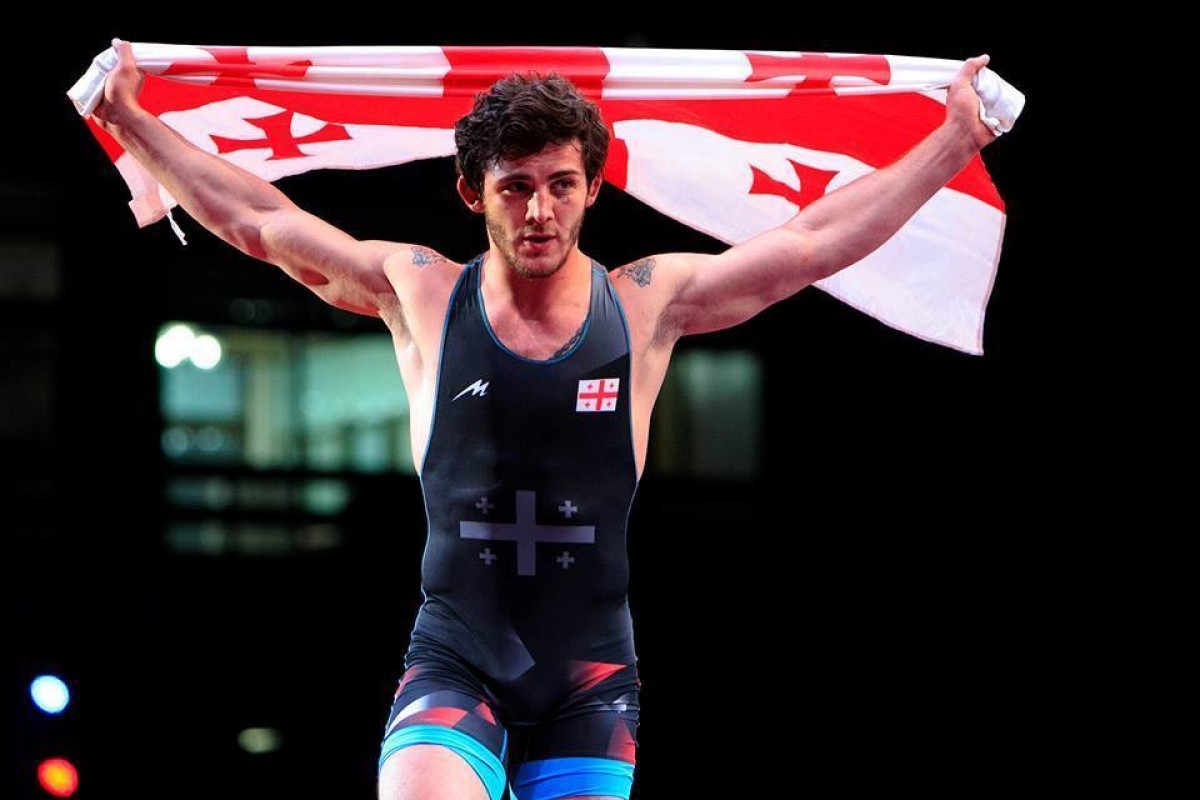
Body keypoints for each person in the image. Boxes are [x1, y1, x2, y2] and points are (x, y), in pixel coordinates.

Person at [90, 36, 1000, 800]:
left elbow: (812, 243)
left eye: (562, 185)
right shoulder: (421, 293)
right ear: (472, 192)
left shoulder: (647, 304)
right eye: (515, 186)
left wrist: (956, 139)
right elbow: (258, 219)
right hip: (455, 660)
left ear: (594, 187)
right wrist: (128, 117)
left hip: (590, 682)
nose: (540, 211)